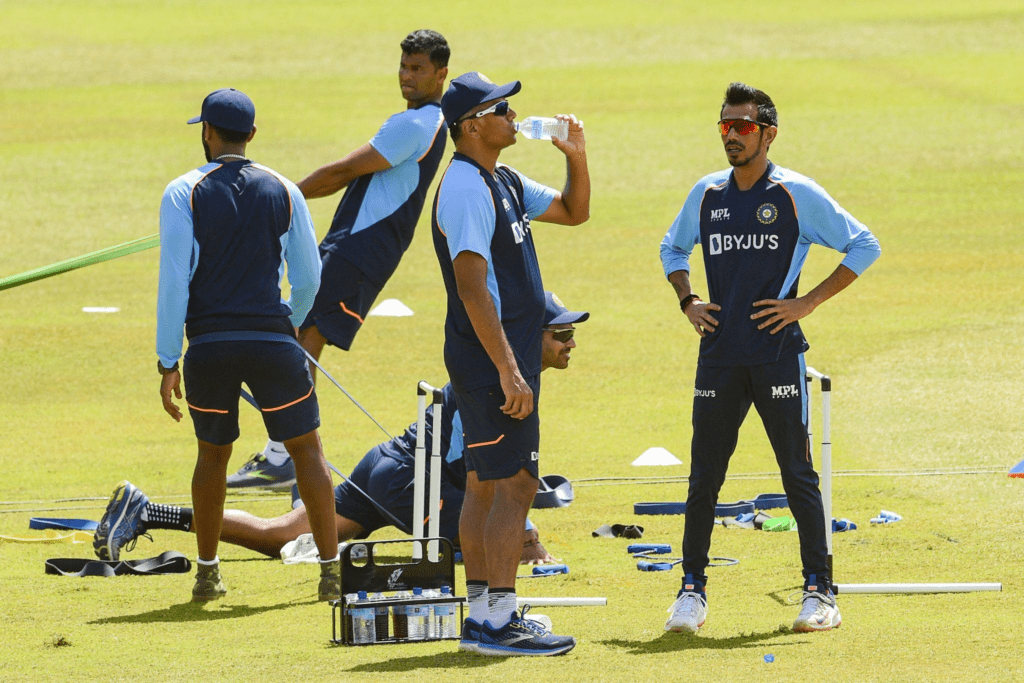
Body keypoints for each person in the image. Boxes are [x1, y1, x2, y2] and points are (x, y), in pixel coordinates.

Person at [92, 293, 587, 569]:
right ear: (529, 335)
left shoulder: (509, 369)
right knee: (487, 549)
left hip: (387, 464)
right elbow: (488, 476)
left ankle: (148, 511)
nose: (570, 342)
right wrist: (529, 543)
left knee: (279, 536)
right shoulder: (507, 380)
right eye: (560, 333)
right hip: (408, 480)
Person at [659, 82, 881, 634]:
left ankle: (820, 592)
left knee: (797, 474)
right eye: (724, 126)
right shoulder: (707, 193)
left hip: (777, 356)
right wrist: (688, 299)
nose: (732, 136)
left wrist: (805, 303)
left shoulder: (794, 194)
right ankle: (691, 591)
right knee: (704, 477)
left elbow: (865, 244)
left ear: (768, 134)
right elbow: (671, 248)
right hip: (719, 358)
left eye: (743, 127)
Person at [128, 87, 342, 603]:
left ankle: (208, 574)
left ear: (206, 131)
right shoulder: (285, 189)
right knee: (307, 451)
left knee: (212, 456)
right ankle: (332, 575)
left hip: (208, 347)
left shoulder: (182, 190)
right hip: (274, 342)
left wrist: (167, 360)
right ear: (251, 134)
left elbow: (174, 281)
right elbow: (310, 277)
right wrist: (286, 324)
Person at [228, 29, 451, 490]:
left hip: (359, 249)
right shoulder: (425, 122)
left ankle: (286, 457)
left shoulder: (415, 124)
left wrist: (277, 196)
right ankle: (288, 456)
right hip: (361, 248)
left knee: (303, 339)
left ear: (440, 74)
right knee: (302, 335)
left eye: (418, 69)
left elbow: (341, 172)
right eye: (404, 67)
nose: (407, 77)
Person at [432, 72, 590, 656]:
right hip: (489, 356)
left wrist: (575, 156)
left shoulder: (503, 179)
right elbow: (472, 287)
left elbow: (576, 211)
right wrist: (509, 368)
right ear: (472, 125)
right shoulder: (467, 187)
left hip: (492, 355)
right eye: (501, 108)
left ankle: (482, 617)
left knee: (482, 484)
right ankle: (498, 622)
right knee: (514, 485)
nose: (512, 115)